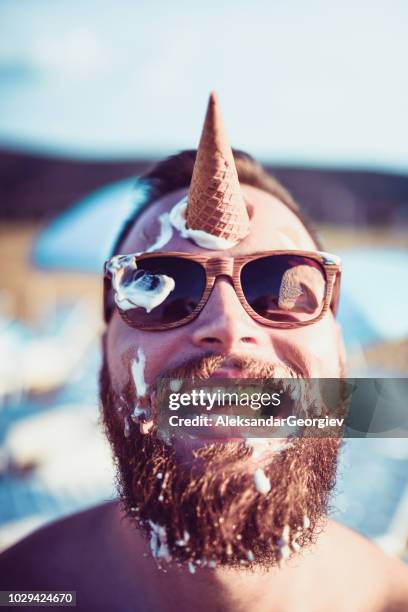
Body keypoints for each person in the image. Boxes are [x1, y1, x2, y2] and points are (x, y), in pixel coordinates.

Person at [1, 93, 408, 611]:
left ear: (339, 349)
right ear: (104, 353)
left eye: (279, 286)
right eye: (163, 288)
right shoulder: (23, 592)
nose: (228, 327)